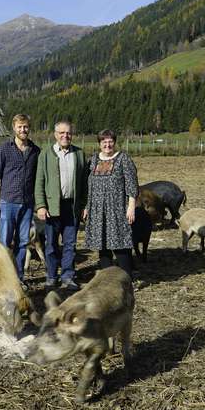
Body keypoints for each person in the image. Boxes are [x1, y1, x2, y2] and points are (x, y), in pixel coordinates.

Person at [0, 113, 40, 289]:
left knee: (23, 242)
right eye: (20, 127)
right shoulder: (4, 149)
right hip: (8, 202)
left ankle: (18, 278)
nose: (23, 130)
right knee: (4, 242)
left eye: (25, 127)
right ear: (14, 128)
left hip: (27, 203)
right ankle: (1, 279)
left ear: (29, 128)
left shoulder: (35, 150)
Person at [34, 120, 88, 290]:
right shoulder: (45, 154)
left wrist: (84, 205)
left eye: (68, 133)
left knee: (70, 244)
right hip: (52, 207)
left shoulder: (79, 154)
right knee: (51, 244)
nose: (65, 136)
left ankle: (68, 276)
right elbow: (39, 182)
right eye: (61, 133)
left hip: (72, 207)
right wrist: (41, 205)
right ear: (55, 135)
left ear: (72, 134)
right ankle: (51, 276)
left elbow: (85, 183)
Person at [83, 129, 137, 276]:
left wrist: (131, 206)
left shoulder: (123, 159)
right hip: (97, 210)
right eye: (104, 142)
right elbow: (89, 186)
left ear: (114, 142)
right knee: (102, 244)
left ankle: (127, 279)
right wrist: (87, 207)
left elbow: (132, 184)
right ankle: (108, 281)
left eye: (110, 141)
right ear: (99, 143)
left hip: (117, 209)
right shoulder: (93, 160)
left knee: (120, 244)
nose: (107, 145)